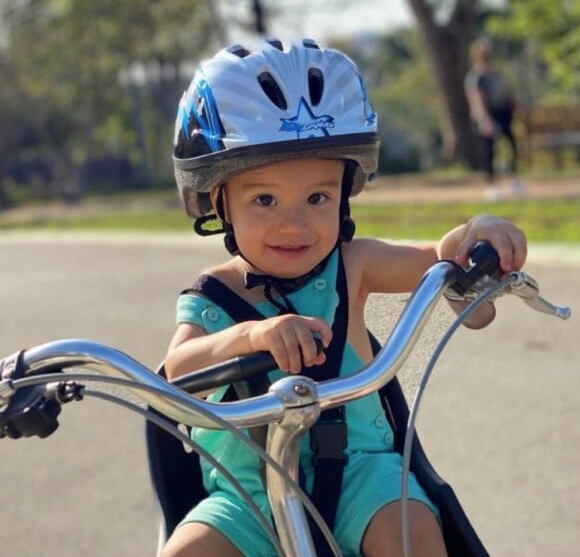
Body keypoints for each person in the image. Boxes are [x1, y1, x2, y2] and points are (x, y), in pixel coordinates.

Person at [162, 38, 527, 557]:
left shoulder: (352, 264)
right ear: (217, 201)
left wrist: (475, 234)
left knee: (411, 531)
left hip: (361, 476)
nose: (294, 222)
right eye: (264, 199)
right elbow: (176, 372)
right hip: (247, 497)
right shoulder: (211, 294)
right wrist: (250, 336)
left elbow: (436, 257)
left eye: (318, 197)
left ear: (345, 194)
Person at [464, 38, 524, 200]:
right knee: (489, 151)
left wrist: (516, 105)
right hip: (487, 116)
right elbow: (476, 99)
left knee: (511, 145)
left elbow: (506, 92)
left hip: (503, 114)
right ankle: (492, 185)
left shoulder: (496, 73)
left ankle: (513, 179)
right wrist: (484, 119)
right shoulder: (475, 77)